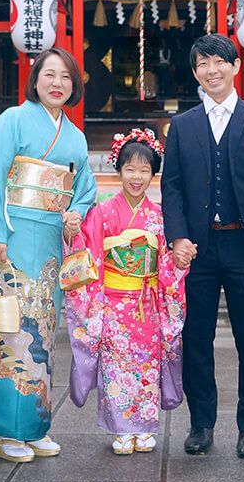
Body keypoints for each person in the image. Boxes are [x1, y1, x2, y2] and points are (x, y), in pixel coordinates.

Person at [0, 46, 97, 463]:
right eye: (49, 75)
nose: (57, 83)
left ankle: (36, 427)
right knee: (10, 331)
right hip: (13, 236)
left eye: (66, 77)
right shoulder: (13, 120)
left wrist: (74, 214)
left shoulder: (74, 136)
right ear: (34, 80)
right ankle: (5, 431)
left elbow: (85, 189)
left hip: (51, 240)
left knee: (42, 332)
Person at [161, 33, 244, 459]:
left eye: (219, 62)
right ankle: (201, 423)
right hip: (198, 249)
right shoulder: (183, 125)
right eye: (202, 64)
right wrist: (178, 237)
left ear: (235, 67)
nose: (211, 70)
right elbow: (171, 187)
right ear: (195, 72)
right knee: (196, 338)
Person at [63, 128, 187, 455]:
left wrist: (178, 263)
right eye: (130, 169)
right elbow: (86, 253)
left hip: (147, 304)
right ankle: (121, 428)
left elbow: (167, 263)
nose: (137, 177)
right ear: (118, 170)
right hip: (112, 304)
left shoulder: (159, 217)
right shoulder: (101, 213)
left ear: (153, 174)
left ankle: (144, 426)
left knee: (146, 365)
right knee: (115, 366)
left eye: (144, 170)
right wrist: (71, 233)